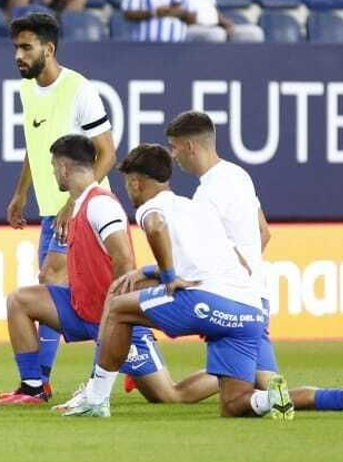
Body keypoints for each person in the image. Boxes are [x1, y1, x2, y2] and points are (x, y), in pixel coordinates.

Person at [150, 112, 343, 414]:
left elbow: (210, 256)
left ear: (190, 146)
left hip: (232, 301)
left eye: (174, 147)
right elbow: (264, 232)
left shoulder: (205, 196)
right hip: (257, 296)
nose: (173, 155)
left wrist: (218, 280)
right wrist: (247, 274)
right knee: (269, 388)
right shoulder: (238, 175)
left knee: (240, 402)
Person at [53, 144, 283, 419]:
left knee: (117, 307)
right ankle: (269, 398)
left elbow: (155, 227)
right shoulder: (195, 207)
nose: (128, 190)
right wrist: (152, 272)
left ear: (136, 183)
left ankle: (96, 397)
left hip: (206, 300)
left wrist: (169, 276)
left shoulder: (150, 207)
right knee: (232, 405)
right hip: (249, 306)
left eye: (127, 183)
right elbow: (239, 259)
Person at [0, 135, 164, 405]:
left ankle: (230, 379)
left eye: (54, 167)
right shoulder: (76, 206)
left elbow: (124, 259)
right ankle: (33, 387)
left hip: (114, 319)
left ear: (64, 168)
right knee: (19, 300)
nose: (53, 173)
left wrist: (116, 311)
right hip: (81, 309)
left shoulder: (100, 205)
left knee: (169, 395)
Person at [2, 12, 115, 388]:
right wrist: (20, 193)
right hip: (53, 211)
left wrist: (75, 203)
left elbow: (107, 153)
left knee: (49, 279)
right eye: (16, 48)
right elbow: (35, 146)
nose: (18, 55)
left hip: (85, 212)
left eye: (26, 47)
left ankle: (36, 381)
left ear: (48, 49)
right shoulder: (27, 90)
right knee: (52, 290)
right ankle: (44, 379)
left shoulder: (79, 89)